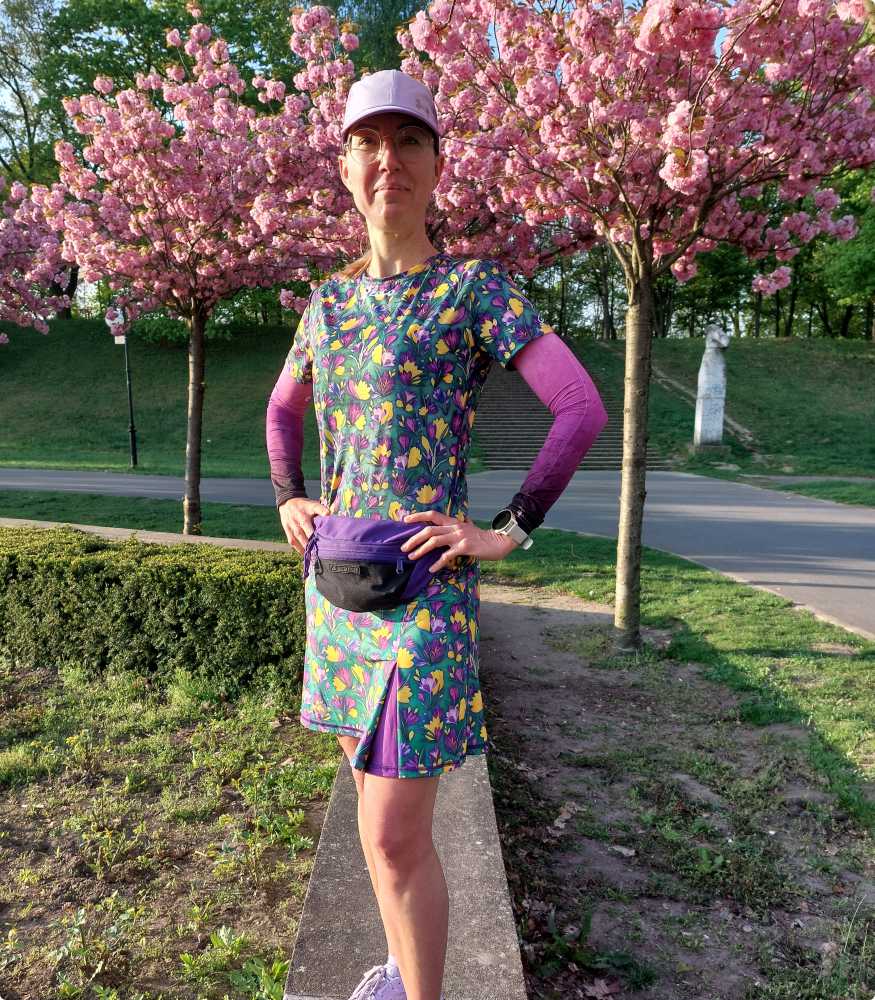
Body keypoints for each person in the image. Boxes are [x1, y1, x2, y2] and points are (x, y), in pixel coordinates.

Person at [265, 69, 608, 1000]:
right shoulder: (326, 304)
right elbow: (282, 410)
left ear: (436, 164)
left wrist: (507, 530)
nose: (388, 161)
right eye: (367, 144)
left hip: (423, 598)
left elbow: (579, 408)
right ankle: (395, 968)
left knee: (392, 833)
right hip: (336, 592)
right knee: (369, 808)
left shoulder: (472, 289)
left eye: (408, 141)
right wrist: (290, 496)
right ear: (345, 168)